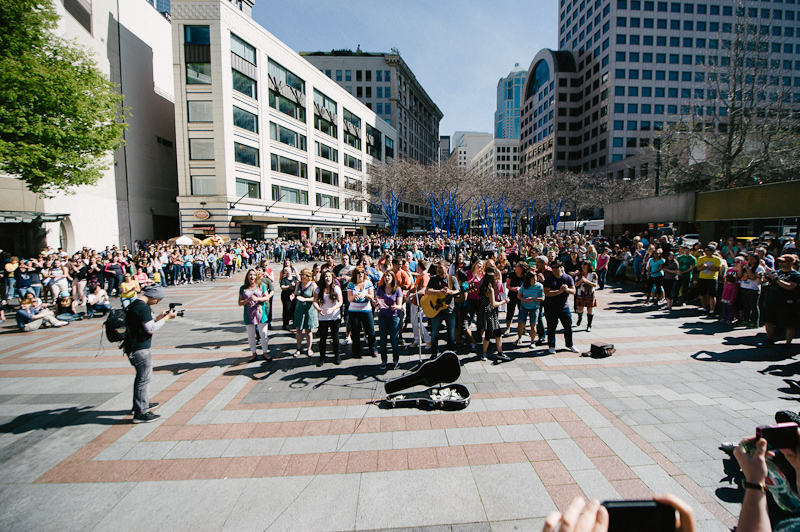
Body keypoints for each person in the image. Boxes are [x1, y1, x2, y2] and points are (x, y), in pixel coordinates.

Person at [124, 284, 177, 423]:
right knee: (143, 379)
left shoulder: (135, 304)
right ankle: (141, 413)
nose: (158, 302)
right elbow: (150, 329)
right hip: (139, 347)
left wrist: (159, 317)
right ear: (153, 296)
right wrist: (166, 319)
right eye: (158, 299)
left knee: (141, 378)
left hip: (132, 345)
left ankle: (141, 404)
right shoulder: (143, 308)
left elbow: (144, 324)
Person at [759, 254, 800, 352]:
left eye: (783, 261)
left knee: (789, 324)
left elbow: (790, 286)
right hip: (772, 301)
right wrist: (760, 277)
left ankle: (788, 343)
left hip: (787, 303)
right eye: (780, 261)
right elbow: (763, 281)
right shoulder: (776, 272)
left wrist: (776, 279)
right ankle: (769, 340)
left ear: (791, 262)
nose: (781, 263)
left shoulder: (796, 275)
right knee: (768, 321)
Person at [425, 261, 460, 359]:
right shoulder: (434, 279)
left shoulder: (452, 279)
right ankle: (434, 354)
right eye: (438, 268)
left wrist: (450, 291)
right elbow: (427, 290)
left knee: (451, 335)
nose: (438, 270)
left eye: (440, 267)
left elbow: (458, 291)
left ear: (446, 268)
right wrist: (439, 291)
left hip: (449, 309)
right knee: (434, 333)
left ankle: (450, 354)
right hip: (436, 310)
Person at [543, 261, 578, 355]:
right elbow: (546, 293)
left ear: (561, 267)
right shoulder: (549, 279)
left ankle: (569, 344)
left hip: (564, 306)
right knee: (551, 327)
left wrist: (566, 290)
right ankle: (551, 345)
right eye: (552, 267)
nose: (554, 269)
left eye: (556, 267)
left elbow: (573, 291)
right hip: (551, 307)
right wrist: (559, 291)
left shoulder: (567, 278)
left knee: (568, 326)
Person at [238, 269, 272, 363]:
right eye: (250, 275)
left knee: (264, 333)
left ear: (256, 276)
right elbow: (240, 302)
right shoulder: (243, 288)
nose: (252, 277)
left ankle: (265, 352)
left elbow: (267, 297)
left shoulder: (261, 286)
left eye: (253, 275)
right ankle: (253, 353)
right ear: (247, 277)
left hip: (260, 312)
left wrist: (257, 298)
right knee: (251, 335)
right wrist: (248, 300)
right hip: (249, 313)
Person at [477, 269, 509, 361]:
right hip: (490, 312)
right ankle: (492, 353)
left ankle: (487, 352)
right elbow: (493, 304)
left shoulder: (482, 286)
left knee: (491, 332)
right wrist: (504, 301)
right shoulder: (490, 289)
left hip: (483, 311)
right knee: (494, 332)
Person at [313, 270, 343, 366]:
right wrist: (318, 309)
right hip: (323, 317)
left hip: (334, 316)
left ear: (332, 277)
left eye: (329, 276)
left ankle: (337, 356)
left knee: (335, 337)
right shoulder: (319, 289)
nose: (328, 278)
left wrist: (333, 309)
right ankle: (322, 357)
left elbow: (340, 301)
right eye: (326, 276)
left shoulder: (336, 288)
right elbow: (315, 301)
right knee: (323, 338)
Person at [376, 271, 404, 369]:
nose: (387, 278)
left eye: (389, 276)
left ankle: (395, 360)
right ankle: (384, 360)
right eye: (385, 276)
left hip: (394, 317)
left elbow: (400, 305)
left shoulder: (397, 289)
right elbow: (377, 300)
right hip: (383, 316)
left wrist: (396, 306)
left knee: (394, 339)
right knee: (383, 340)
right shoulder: (380, 289)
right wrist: (376, 305)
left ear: (392, 278)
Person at [347, 266, 377, 358]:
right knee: (355, 332)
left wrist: (365, 294)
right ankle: (356, 351)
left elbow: (372, 296)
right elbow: (349, 299)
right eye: (358, 273)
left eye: (362, 272)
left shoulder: (368, 283)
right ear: (355, 274)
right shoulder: (351, 284)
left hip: (366, 310)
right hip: (354, 310)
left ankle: (373, 349)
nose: (360, 274)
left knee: (370, 331)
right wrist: (355, 296)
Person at [293, 268, 318, 358]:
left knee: (308, 330)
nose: (301, 277)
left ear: (307, 276)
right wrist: (292, 296)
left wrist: (305, 299)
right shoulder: (298, 284)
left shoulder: (313, 285)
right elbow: (296, 293)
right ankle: (298, 348)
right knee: (298, 329)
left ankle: (309, 348)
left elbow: (316, 298)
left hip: (309, 309)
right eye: (300, 275)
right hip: (299, 309)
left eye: (302, 275)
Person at [517, 270, 545, 347]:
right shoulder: (524, 285)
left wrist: (534, 299)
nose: (535, 279)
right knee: (521, 322)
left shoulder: (539, 286)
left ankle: (532, 341)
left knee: (533, 324)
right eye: (533, 278)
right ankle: (519, 338)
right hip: (524, 305)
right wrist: (524, 300)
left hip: (535, 307)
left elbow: (542, 298)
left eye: (535, 277)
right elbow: (519, 295)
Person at [740, 253, 764, 328]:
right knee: (746, 305)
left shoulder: (759, 268)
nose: (750, 261)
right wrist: (741, 268)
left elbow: (753, 277)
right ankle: (746, 319)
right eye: (749, 259)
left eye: (752, 259)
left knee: (753, 306)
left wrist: (748, 269)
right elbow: (740, 276)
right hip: (744, 287)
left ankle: (754, 322)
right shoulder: (747, 266)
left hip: (753, 288)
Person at [697, 245, 723, 315]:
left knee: (712, 295)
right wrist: (702, 267)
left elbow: (718, 269)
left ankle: (712, 310)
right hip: (703, 278)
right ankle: (704, 308)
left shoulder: (717, 259)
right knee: (703, 294)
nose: (705, 252)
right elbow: (698, 269)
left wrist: (708, 267)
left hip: (712, 278)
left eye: (707, 250)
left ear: (712, 251)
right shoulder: (701, 258)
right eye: (705, 250)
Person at [574, 261, 598, 331]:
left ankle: (589, 325)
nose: (583, 266)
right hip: (581, 293)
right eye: (582, 265)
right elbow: (576, 284)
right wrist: (581, 280)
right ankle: (580, 317)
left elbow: (595, 284)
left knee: (589, 310)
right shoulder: (579, 274)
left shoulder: (593, 274)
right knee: (580, 309)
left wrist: (586, 281)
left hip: (590, 294)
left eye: (585, 265)